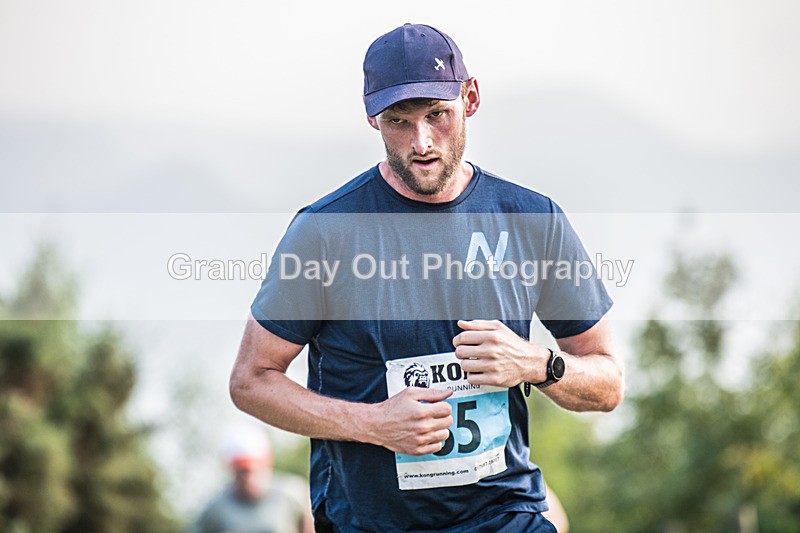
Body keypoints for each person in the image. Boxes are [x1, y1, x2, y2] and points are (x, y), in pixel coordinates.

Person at [230, 23, 624, 532]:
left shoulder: (531, 219)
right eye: (398, 121)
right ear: (372, 118)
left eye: (437, 115)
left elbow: (608, 383)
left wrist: (534, 362)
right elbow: (250, 381)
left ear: (471, 98)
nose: (421, 143)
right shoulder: (325, 231)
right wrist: (374, 424)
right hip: (369, 521)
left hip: (504, 514)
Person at [189, 426, 312, 533]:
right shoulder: (215, 508)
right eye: (240, 471)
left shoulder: (293, 495)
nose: (246, 478)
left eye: (249, 470)